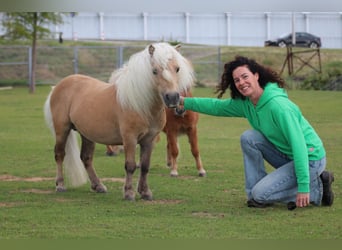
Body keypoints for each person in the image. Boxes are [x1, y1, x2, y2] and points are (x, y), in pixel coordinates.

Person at [178, 56, 334, 210]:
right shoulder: (248, 103)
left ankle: (316, 190)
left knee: (261, 194)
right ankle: (255, 195)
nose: (241, 82)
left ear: (256, 75)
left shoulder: (278, 106)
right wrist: (183, 101)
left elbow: (298, 145)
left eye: (245, 76)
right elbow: (216, 106)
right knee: (249, 138)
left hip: (310, 159)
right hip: (288, 157)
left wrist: (304, 186)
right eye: (237, 80)